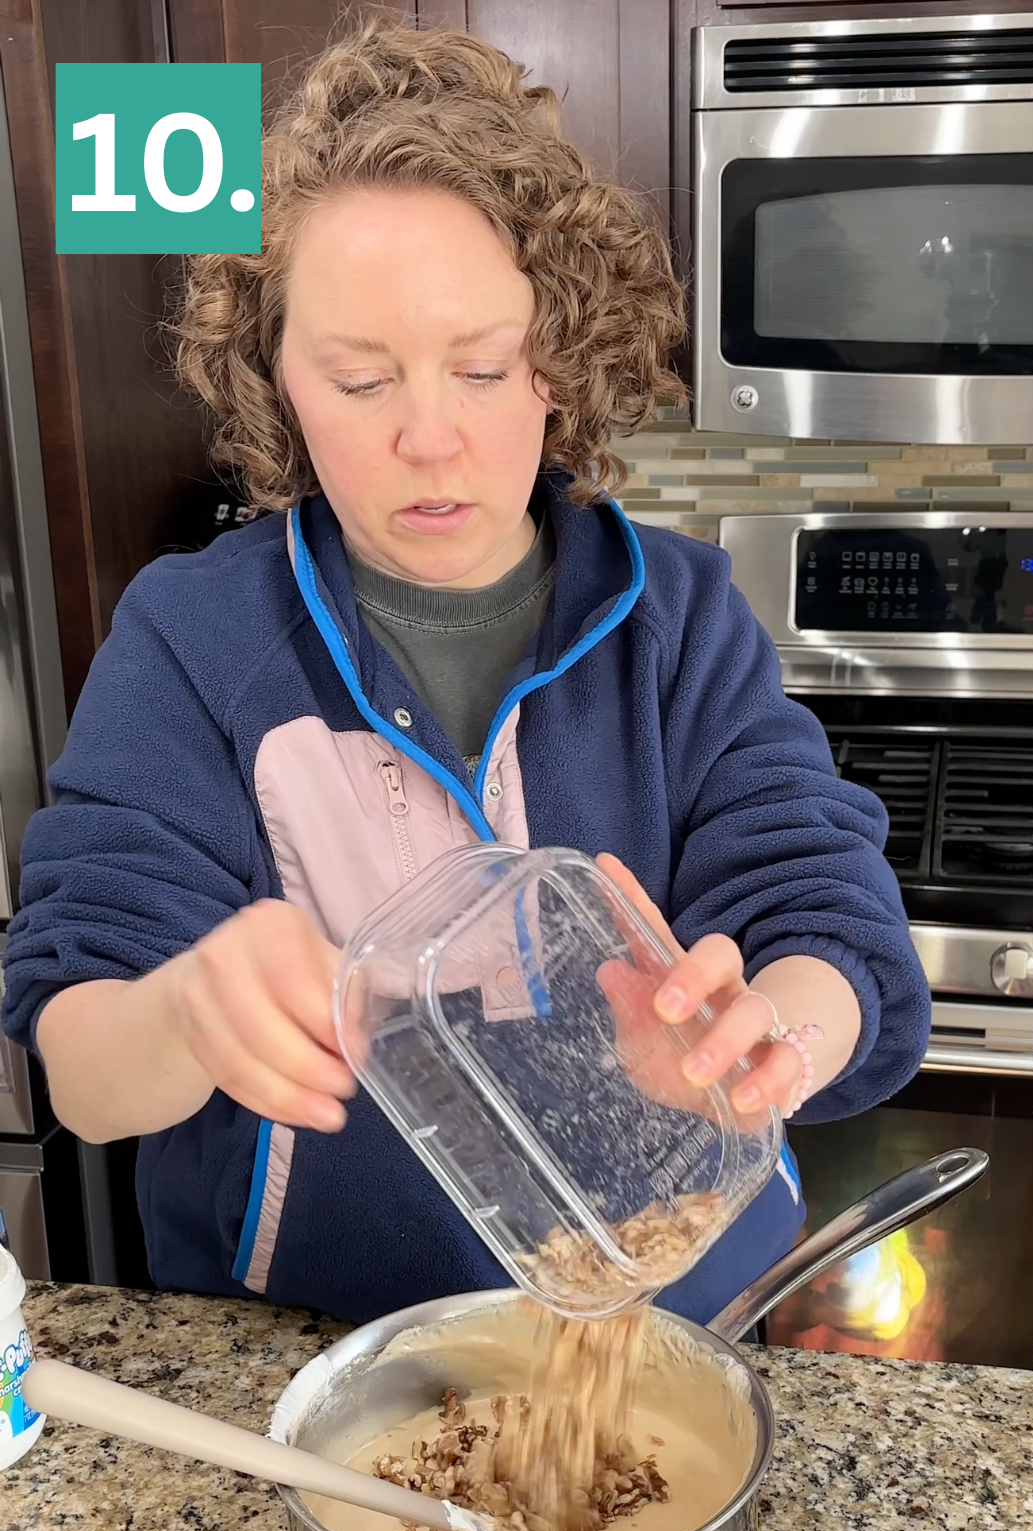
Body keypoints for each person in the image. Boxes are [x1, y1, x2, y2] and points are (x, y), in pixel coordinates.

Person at [1, 24, 930, 1325]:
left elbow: (829, 922)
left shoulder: (681, 617)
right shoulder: (191, 643)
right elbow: (81, 1059)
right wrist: (182, 1017)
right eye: (360, 376)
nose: (428, 438)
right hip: (331, 1360)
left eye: (484, 368)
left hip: (689, 1327)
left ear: (562, 357)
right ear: (277, 372)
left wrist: (762, 1038)